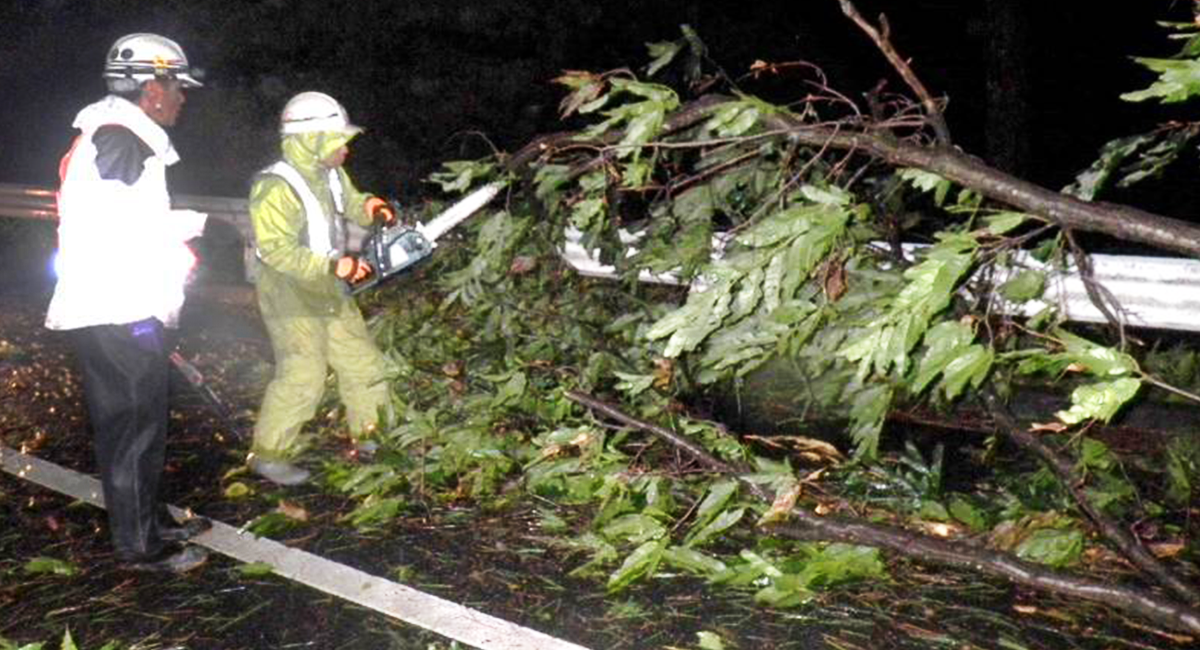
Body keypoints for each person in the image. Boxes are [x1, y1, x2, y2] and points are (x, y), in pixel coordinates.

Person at [45, 33, 212, 573]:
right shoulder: (120, 138)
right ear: (150, 87)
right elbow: (122, 226)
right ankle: (139, 547)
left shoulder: (123, 135)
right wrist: (201, 225)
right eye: (176, 86)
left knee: (145, 420)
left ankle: (151, 518)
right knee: (133, 426)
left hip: (123, 304)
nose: (182, 97)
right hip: (115, 307)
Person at [246, 91, 396, 486]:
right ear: (311, 141)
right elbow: (276, 251)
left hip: (328, 285)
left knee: (362, 362)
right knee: (303, 373)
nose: (345, 150)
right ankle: (269, 453)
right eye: (337, 141)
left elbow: (351, 199)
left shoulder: (329, 173)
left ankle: (372, 438)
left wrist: (372, 207)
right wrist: (336, 264)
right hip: (288, 292)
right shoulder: (275, 187)